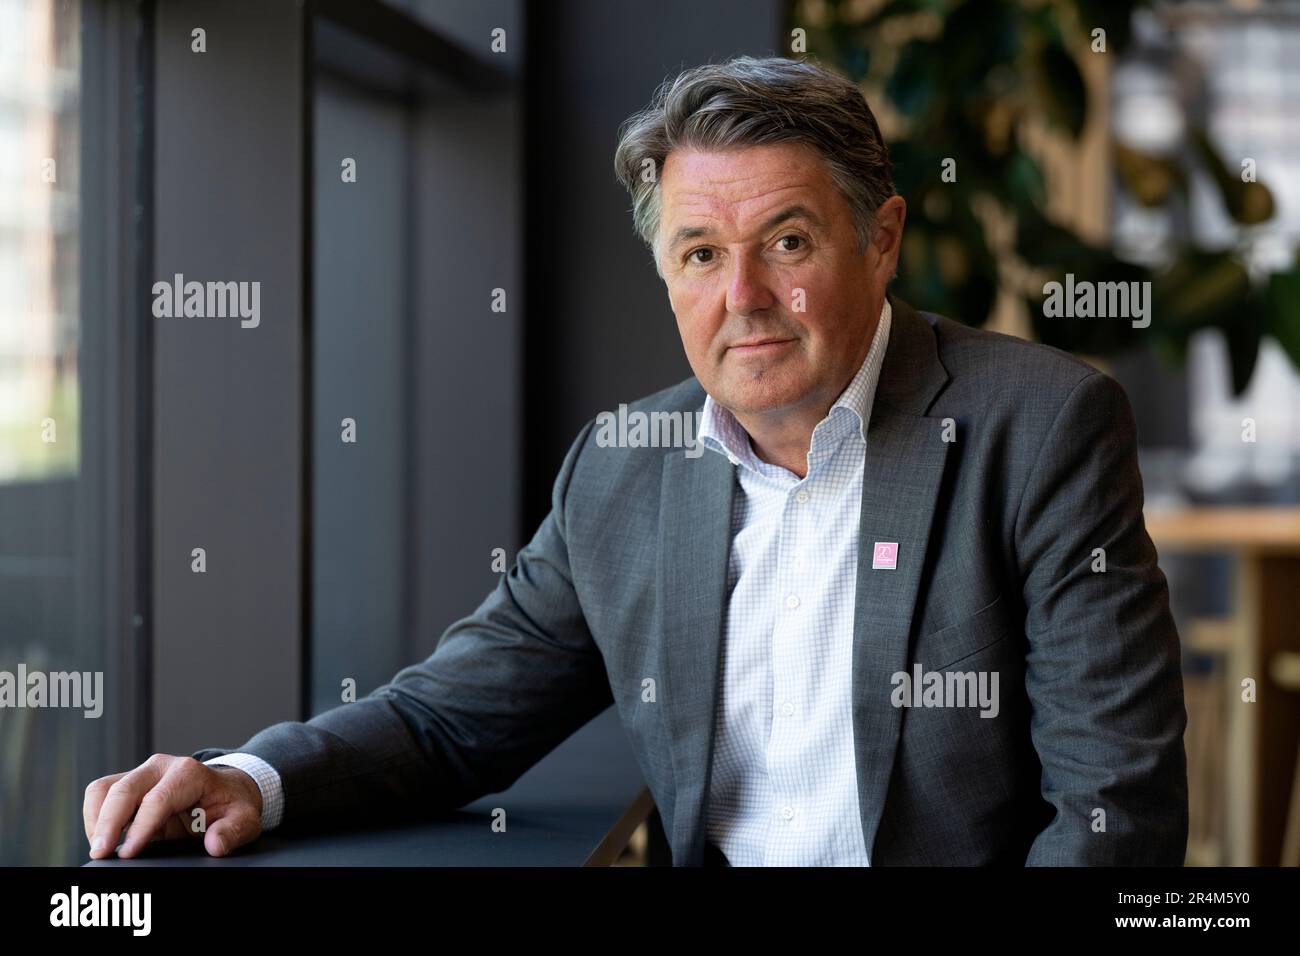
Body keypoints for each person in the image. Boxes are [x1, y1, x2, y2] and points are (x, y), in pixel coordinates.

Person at [84, 55, 1187, 866]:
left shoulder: (1041, 427)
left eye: (787, 242)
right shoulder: (624, 465)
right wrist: (251, 776)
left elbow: (1115, 806)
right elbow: (452, 718)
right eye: (700, 253)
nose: (742, 296)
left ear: (881, 238)